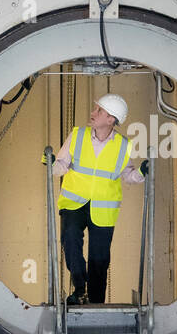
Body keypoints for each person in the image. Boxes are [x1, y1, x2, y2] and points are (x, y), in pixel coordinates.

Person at [48, 94, 147, 304]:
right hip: (74, 203)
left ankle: (95, 303)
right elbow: (61, 165)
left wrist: (141, 172)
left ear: (111, 119)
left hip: (104, 209)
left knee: (99, 259)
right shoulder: (77, 135)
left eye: (99, 111)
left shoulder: (123, 145)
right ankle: (79, 287)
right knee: (71, 238)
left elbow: (128, 175)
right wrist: (49, 163)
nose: (93, 114)